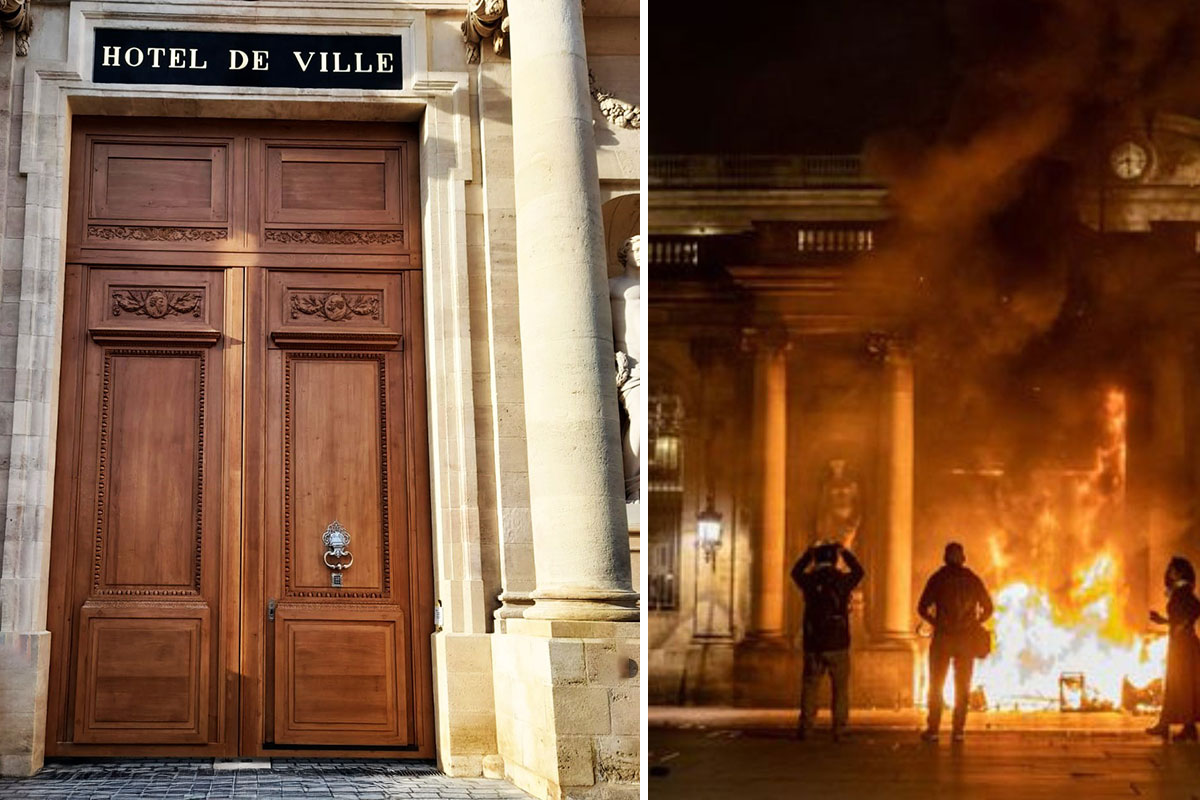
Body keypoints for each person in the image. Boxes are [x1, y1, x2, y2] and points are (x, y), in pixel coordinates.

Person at [918, 542, 993, 743]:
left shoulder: (938, 578)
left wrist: (937, 623)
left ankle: (933, 730)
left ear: (944, 558)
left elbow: (922, 607)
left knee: (936, 685)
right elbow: (989, 608)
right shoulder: (972, 579)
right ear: (963, 558)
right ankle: (958, 730)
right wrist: (975, 623)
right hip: (966, 640)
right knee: (963, 686)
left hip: (943, 639)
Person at [791, 542, 864, 741]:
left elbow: (795, 572)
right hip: (838, 642)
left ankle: (806, 728)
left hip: (814, 642)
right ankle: (840, 729)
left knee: (810, 687)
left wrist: (808, 555)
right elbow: (859, 571)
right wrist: (845, 553)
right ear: (834, 559)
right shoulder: (842, 580)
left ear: (818, 559)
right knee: (840, 689)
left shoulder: (809, 580)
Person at [1146, 556, 1200, 741]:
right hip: (1182, 643)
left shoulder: (1182, 591)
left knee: (1179, 683)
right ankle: (1186, 726)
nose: (1170, 572)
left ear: (1180, 571)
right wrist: (1164, 621)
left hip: (1183, 645)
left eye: (1173, 569)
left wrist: (1183, 625)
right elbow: (1184, 614)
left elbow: (1194, 608)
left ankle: (1169, 724)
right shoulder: (1181, 591)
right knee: (1183, 684)